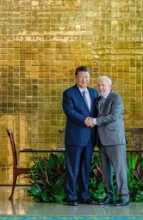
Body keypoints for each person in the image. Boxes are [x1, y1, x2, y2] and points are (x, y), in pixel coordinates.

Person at [85, 76, 130, 206]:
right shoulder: (98, 99)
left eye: (103, 85)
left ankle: (124, 196)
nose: (100, 88)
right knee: (106, 171)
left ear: (110, 86)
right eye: (98, 85)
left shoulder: (116, 98)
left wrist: (94, 121)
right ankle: (109, 196)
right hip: (102, 140)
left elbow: (114, 116)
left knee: (119, 169)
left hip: (115, 140)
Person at [62, 66, 98, 206]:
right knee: (73, 168)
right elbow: (69, 111)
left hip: (90, 137)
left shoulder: (94, 93)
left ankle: (84, 195)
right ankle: (71, 197)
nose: (85, 79)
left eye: (87, 77)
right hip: (75, 137)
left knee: (85, 167)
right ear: (76, 77)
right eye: (82, 77)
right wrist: (86, 120)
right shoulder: (69, 93)